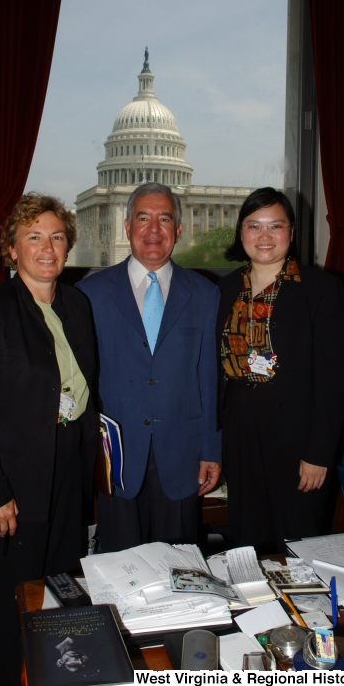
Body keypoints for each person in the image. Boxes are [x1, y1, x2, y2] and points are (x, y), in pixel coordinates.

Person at [0, 193, 100, 686]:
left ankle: (54, 675)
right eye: (34, 237)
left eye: (57, 236)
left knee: (58, 594)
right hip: (9, 489)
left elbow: (82, 388)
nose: (47, 247)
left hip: (65, 475)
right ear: (12, 249)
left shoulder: (77, 304)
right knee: (4, 606)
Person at [78, 183, 221, 552]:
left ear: (178, 230)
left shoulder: (205, 294)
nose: (153, 230)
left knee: (181, 569)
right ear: (127, 227)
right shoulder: (89, 294)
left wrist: (212, 450)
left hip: (183, 455)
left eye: (164, 219)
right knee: (118, 568)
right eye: (143, 218)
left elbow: (208, 379)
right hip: (117, 457)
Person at [217, 187, 344, 553]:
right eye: (253, 225)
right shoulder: (224, 290)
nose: (264, 236)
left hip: (298, 437)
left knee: (300, 545)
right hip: (241, 431)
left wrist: (319, 454)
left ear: (291, 232)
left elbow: (334, 381)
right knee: (249, 541)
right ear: (240, 232)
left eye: (275, 226)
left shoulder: (321, 290)